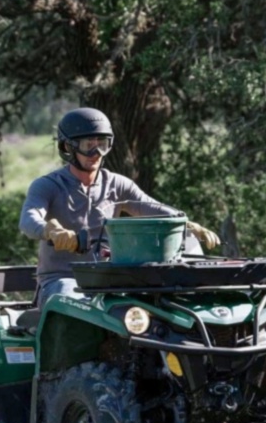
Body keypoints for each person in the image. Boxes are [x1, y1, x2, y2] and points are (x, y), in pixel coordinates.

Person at [19, 107, 221, 305]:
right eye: (88, 145)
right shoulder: (48, 185)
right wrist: (51, 231)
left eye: (102, 144)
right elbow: (28, 220)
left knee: (155, 305)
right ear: (68, 147)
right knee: (72, 303)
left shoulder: (116, 184)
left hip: (110, 280)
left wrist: (185, 223)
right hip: (61, 280)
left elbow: (151, 207)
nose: (96, 152)